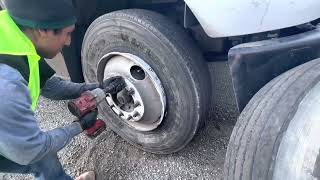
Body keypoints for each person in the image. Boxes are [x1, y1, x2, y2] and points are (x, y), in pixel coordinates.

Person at [0, 0, 105, 179]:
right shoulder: (7, 88)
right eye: (67, 34)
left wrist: (89, 88)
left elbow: (48, 86)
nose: (69, 42)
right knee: (39, 155)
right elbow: (32, 150)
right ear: (43, 31)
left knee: (45, 160)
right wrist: (79, 126)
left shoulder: (15, 36)